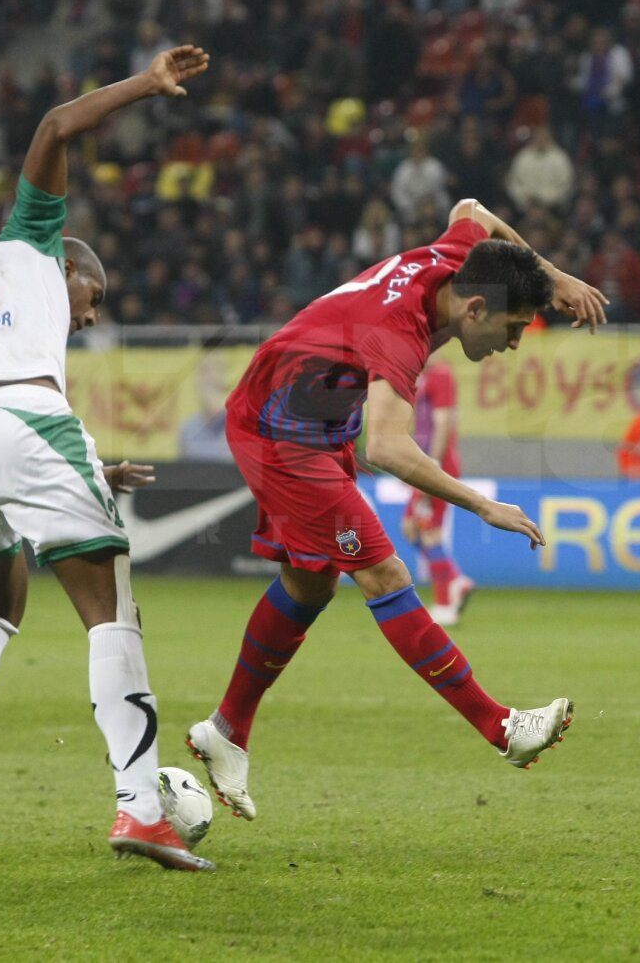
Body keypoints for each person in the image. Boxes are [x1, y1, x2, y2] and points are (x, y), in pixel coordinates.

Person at [187, 197, 609, 822]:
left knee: (309, 582)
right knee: (383, 574)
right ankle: (501, 728)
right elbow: (385, 446)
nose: (514, 344)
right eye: (513, 328)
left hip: (312, 417)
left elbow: (473, 209)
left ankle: (227, 730)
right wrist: (481, 505)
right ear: (476, 309)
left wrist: (551, 278)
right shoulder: (400, 329)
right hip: (279, 428)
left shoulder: (460, 259)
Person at [0, 46, 215, 871]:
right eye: (93, 299)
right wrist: (146, 85)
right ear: (70, 268)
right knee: (115, 613)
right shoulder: (36, 239)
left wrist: (84, 475)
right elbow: (54, 126)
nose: (88, 318)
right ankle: (142, 807)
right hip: (23, 421)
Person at [400, 354, 474, 627]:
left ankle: (445, 602)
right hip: (423, 466)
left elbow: (443, 424)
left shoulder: (442, 375)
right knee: (413, 528)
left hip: (436, 466)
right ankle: (455, 581)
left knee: (425, 529)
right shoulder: (422, 376)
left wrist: (432, 467)